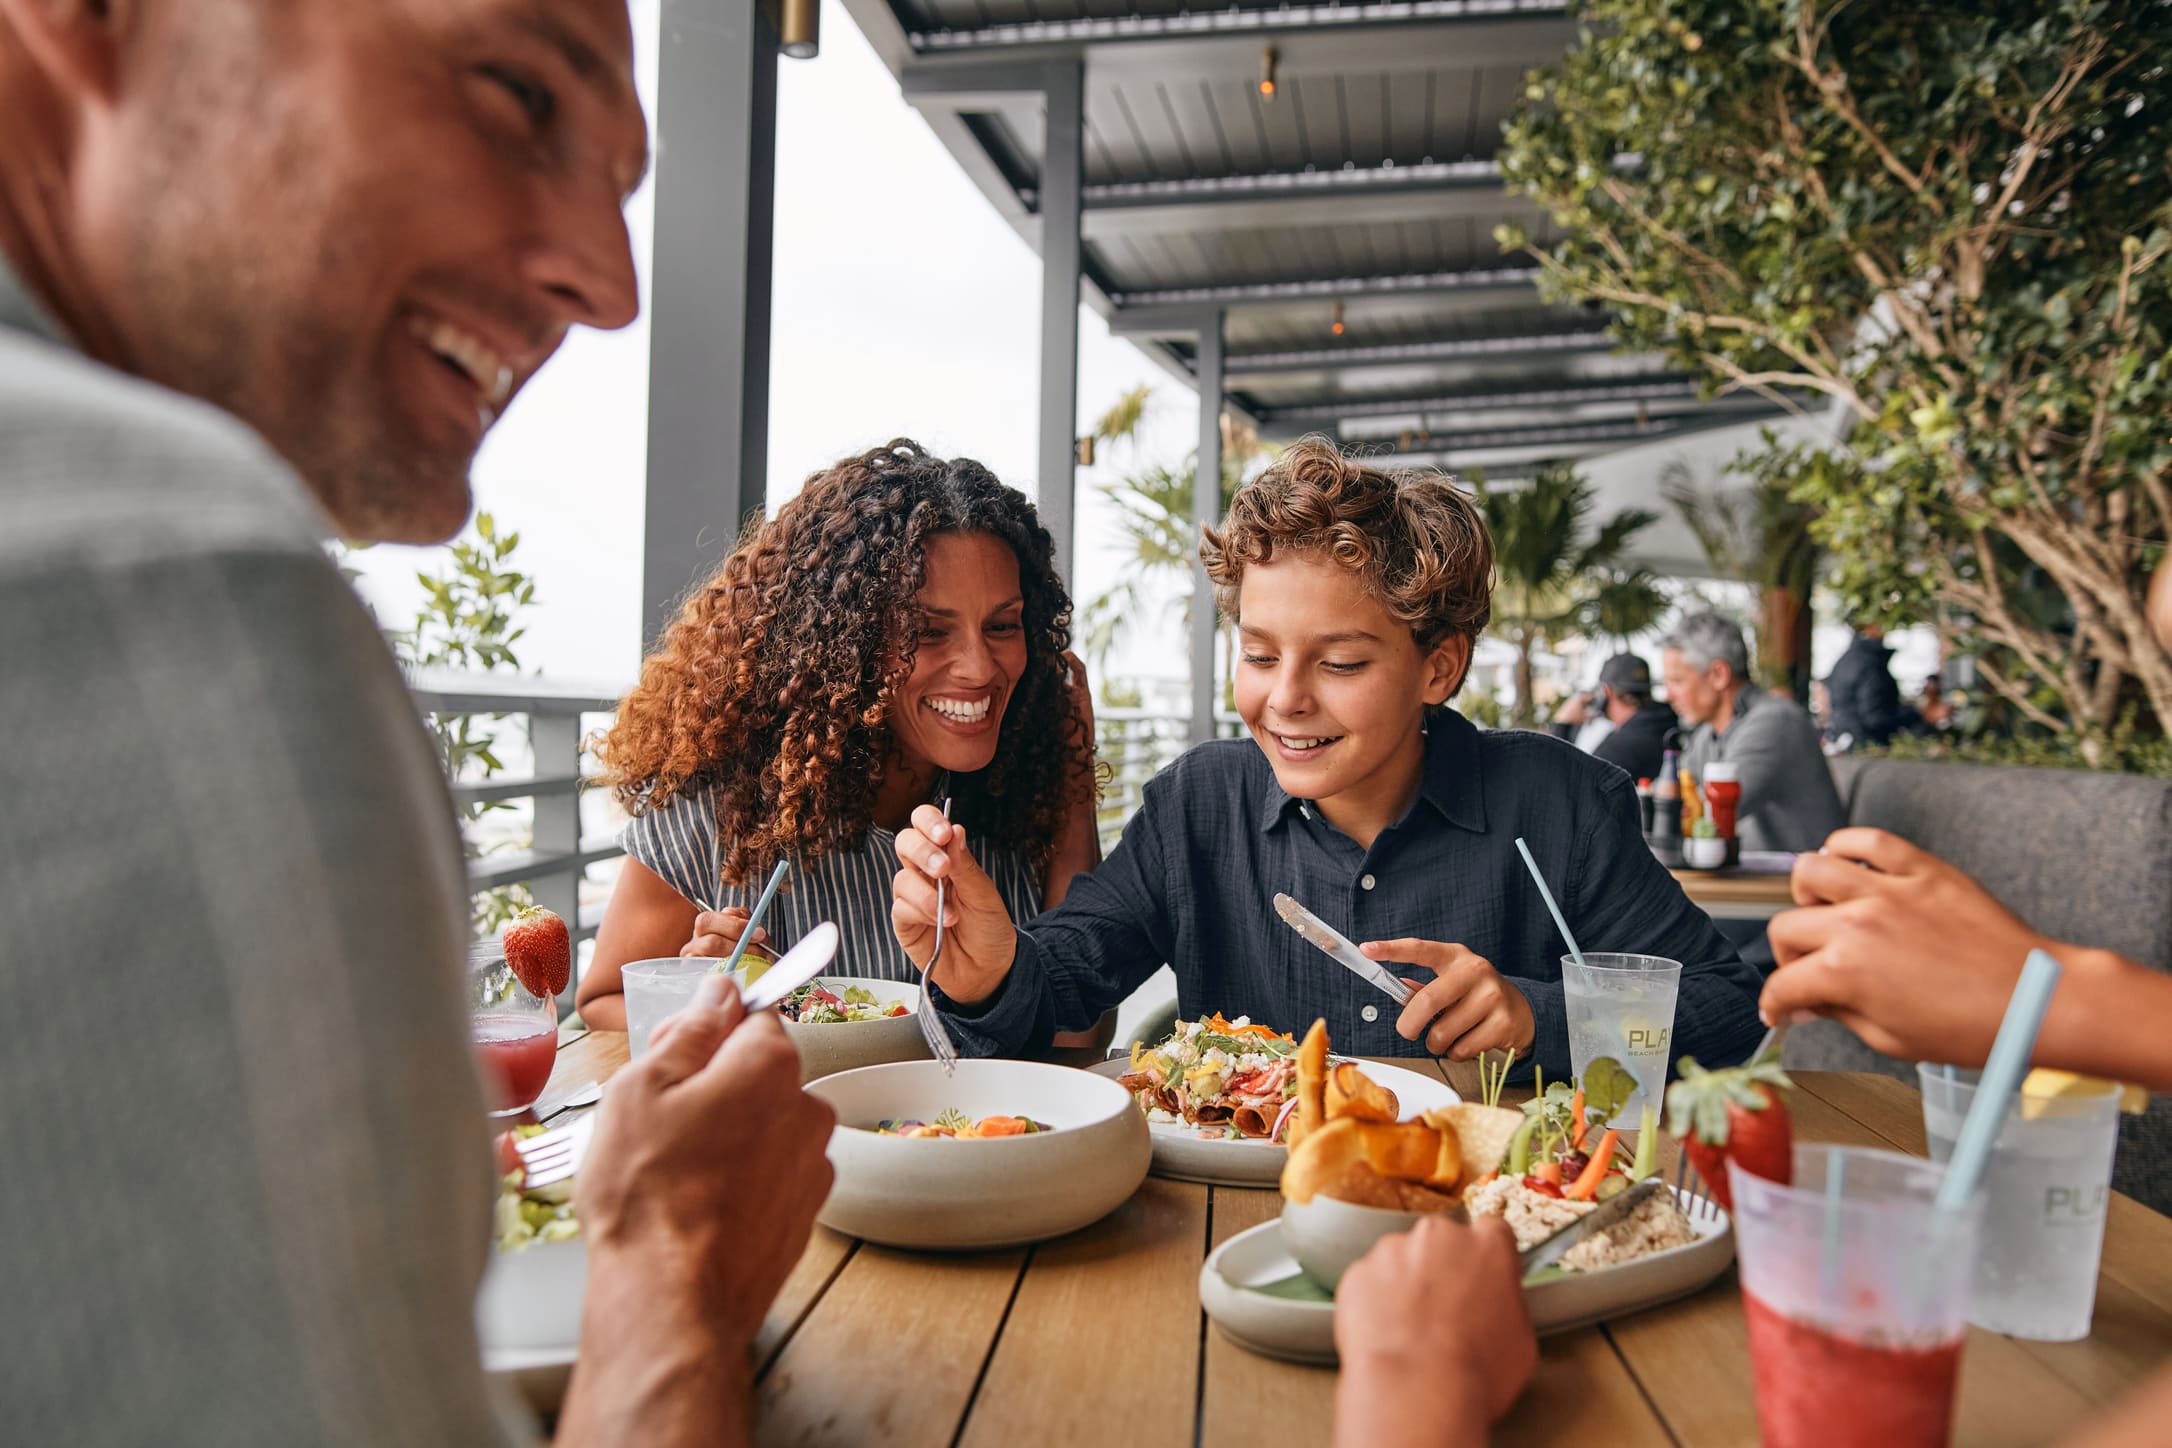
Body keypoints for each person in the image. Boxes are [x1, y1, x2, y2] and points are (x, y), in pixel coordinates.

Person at [0, 2, 832, 1444]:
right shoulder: (169, 583)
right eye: (513, 92)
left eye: (626, 183)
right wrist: (674, 1281)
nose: (612, 281)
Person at [887, 437, 1763, 1079]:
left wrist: (1538, 1017)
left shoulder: (1559, 804)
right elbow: (1070, 974)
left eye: (1341, 663)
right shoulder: (1203, 802)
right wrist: (996, 965)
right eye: (1261, 656)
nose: (1286, 699)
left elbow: (1730, 1010)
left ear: (1440, 666)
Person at [579, 441, 1102, 1041]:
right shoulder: (721, 805)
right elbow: (604, 1001)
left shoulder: (1026, 789)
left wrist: (1074, 771)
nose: (980, 668)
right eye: (929, 631)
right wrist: (710, 1003)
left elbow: (1077, 1030)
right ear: (842, 645)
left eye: (1003, 625)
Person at [1660, 611, 1845, 854]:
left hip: (1797, 884)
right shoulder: (1708, 734)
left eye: (1677, 681)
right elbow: (1671, 798)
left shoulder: (1776, 723)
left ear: (1718, 675)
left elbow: (1704, 816)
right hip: (1750, 881)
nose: (1668, 695)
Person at [1549, 652, 1679, 783]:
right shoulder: (1668, 721)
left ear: (1604, 692)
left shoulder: (1619, 748)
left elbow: (1568, 786)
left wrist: (1562, 725)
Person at [1823, 623, 1905, 749]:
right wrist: (1916, 717)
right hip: (1866, 741)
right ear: (1868, 627)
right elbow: (1873, 714)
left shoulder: (1847, 658)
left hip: (1847, 737)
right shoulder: (1870, 662)